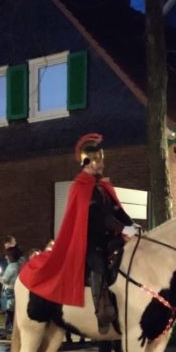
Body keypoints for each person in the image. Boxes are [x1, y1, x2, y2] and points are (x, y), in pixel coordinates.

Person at [20, 133, 135, 333]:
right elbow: (97, 216)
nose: (102, 166)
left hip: (111, 240)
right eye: (98, 162)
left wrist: (133, 225)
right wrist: (122, 228)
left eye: (101, 161)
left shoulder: (102, 186)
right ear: (87, 163)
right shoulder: (81, 187)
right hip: (90, 242)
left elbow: (116, 211)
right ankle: (102, 311)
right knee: (99, 266)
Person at [0, 247, 21, 338]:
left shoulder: (11, 266)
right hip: (16, 290)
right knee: (12, 312)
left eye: (7, 255)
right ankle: (7, 331)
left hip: (9, 291)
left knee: (10, 312)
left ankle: (12, 332)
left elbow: (5, 279)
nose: (6, 257)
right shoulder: (19, 265)